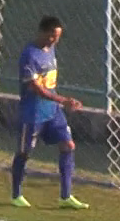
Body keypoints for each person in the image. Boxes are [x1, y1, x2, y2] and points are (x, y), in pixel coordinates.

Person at [10, 15, 89, 210]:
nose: (55, 40)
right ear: (43, 32)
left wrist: (58, 103)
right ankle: (16, 194)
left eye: (58, 36)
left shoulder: (50, 49)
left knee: (68, 145)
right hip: (33, 114)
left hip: (52, 112)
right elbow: (35, 88)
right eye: (52, 36)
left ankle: (66, 196)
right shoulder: (29, 55)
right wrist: (62, 100)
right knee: (24, 153)